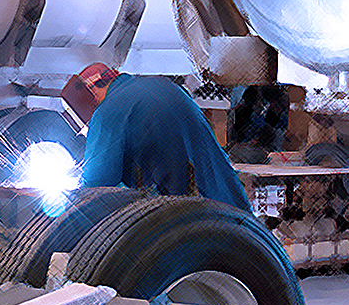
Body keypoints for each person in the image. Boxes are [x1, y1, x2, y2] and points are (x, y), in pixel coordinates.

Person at [62, 63, 251, 212]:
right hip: (233, 213)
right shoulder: (164, 86)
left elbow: (97, 183)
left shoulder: (107, 111)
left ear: (93, 90)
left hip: (184, 220)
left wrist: (74, 190)